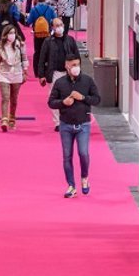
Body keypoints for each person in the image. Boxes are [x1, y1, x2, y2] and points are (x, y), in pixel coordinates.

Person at [48, 56, 101, 198]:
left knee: (83, 153)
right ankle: (71, 186)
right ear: (67, 66)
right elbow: (51, 102)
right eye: (73, 65)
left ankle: (85, 177)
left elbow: (97, 99)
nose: (76, 67)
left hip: (83, 124)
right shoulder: (59, 83)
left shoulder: (88, 81)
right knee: (67, 156)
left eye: (77, 64)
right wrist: (63, 102)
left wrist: (83, 98)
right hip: (65, 125)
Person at [0, 25, 26, 131]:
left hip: (17, 74)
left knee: (14, 99)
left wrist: (25, 72)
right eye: (10, 33)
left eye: (14, 33)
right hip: (4, 74)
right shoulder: (0, 47)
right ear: (5, 35)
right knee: (5, 97)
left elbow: (24, 59)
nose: (12, 35)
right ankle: (4, 119)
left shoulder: (20, 45)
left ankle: (12, 118)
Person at [26, 0, 56, 77]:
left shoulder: (34, 9)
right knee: (47, 52)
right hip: (47, 33)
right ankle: (46, 70)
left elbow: (29, 22)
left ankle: (37, 72)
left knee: (37, 52)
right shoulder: (50, 8)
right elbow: (55, 19)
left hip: (37, 33)